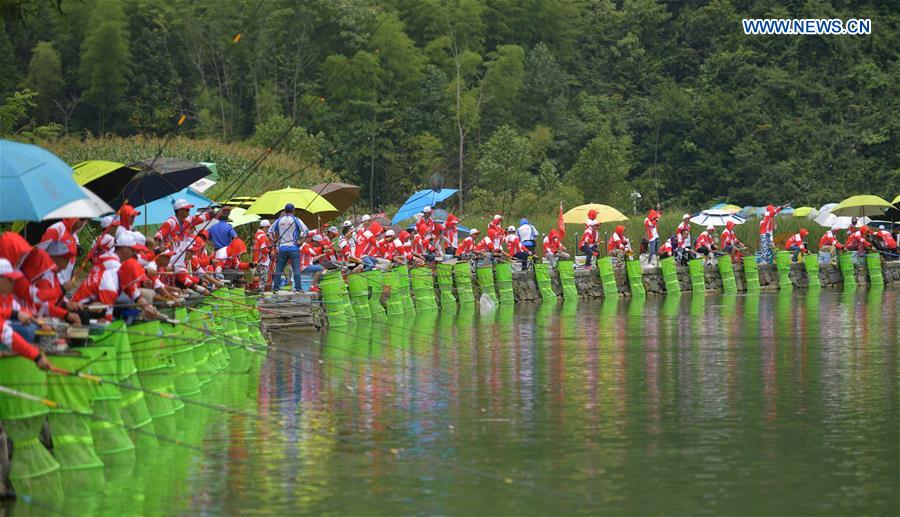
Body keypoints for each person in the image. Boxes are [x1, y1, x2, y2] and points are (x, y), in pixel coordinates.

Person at [37, 217, 86, 287]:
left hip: (60, 286)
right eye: (82, 219)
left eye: (86, 220)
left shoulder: (75, 238)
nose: (83, 222)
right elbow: (39, 253)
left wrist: (71, 275)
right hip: (46, 282)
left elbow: (70, 261)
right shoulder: (57, 229)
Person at [270, 203, 309, 291]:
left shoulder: (279, 220)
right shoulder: (296, 220)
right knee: (296, 269)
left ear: (285, 210)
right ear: (293, 211)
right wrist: (301, 241)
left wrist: (275, 240)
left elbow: (270, 231)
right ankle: (298, 288)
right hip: (293, 247)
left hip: (282, 247)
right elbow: (306, 230)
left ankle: (276, 288)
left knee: (279, 268)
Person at [253, 220, 272, 290]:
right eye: (268, 227)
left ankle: (257, 289)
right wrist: (270, 252)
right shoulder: (263, 235)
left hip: (256, 259)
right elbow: (263, 248)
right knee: (263, 276)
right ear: (265, 227)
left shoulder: (257, 234)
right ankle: (261, 291)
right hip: (263, 259)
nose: (268, 229)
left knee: (258, 276)